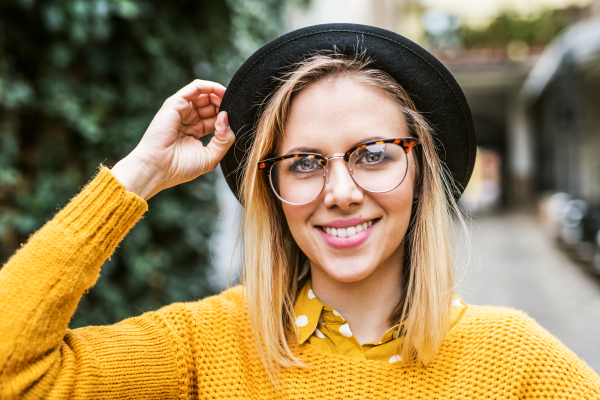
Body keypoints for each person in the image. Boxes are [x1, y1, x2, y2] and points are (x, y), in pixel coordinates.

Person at [1, 24, 599, 399]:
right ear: (273, 187)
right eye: (306, 162)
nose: (339, 190)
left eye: (372, 154)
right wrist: (139, 174)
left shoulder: (515, 361)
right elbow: (13, 372)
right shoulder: (204, 345)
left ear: (420, 171)